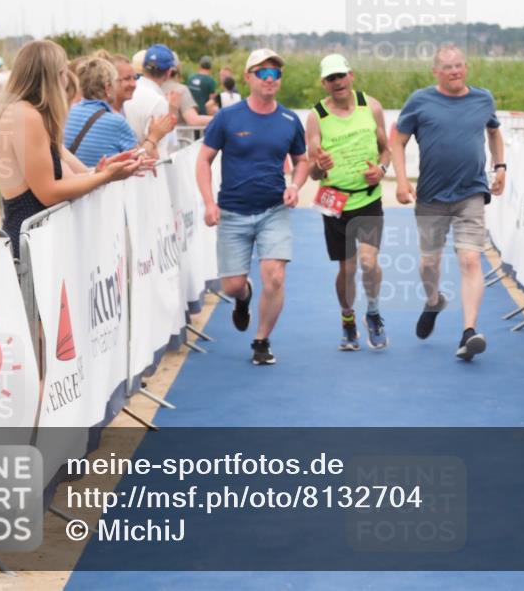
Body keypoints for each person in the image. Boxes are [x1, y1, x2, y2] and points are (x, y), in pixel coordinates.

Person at [391, 44, 505, 362]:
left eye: (459, 65)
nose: (455, 71)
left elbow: (494, 133)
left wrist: (500, 167)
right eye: (448, 66)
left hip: (471, 192)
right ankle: (433, 300)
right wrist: (401, 180)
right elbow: (397, 141)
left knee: (470, 260)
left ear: (466, 67)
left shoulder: (483, 99)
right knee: (429, 263)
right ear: (436, 72)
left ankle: (469, 331)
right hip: (431, 196)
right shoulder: (420, 101)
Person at [195, 48, 309, 366]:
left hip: (274, 209)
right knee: (231, 286)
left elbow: (302, 161)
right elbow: (203, 160)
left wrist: (295, 185)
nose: (271, 79)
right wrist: (208, 202)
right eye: (264, 73)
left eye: (276, 74)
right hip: (232, 211)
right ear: (248, 78)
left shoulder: (289, 120)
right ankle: (244, 296)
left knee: (274, 276)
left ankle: (261, 340)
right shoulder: (227, 118)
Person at [0, 40, 144, 259]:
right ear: (53, 76)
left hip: (36, 240)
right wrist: (106, 175)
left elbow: (77, 174)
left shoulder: (27, 114)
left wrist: (107, 170)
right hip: (31, 246)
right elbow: (48, 192)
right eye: (64, 72)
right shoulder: (27, 116)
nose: (67, 80)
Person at [306, 53, 391, 351]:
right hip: (334, 200)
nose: (337, 82)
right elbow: (313, 171)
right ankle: (347, 320)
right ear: (324, 83)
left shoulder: (371, 106)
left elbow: (386, 151)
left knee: (369, 262)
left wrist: (380, 171)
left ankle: (374, 312)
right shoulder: (316, 116)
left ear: (351, 75)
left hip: (367, 198)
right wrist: (320, 165)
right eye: (331, 78)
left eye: (341, 75)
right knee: (347, 268)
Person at [65, 56, 172, 166]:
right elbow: (143, 163)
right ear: (108, 88)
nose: (134, 84)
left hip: (77, 181)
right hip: (104, 183)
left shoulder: (68, 113)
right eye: (116, 81)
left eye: (135, 78)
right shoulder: (115, 121)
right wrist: (153, 137)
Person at [125, 44, 181, 157]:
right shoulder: (158, 101)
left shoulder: (128, 91)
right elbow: (156, 149)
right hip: (146, 170)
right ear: (169, 72)